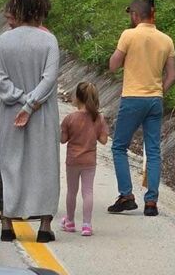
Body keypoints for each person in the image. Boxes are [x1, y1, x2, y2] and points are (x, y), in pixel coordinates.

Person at [0, 0, 60, 243]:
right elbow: (49, 79)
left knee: (8, 163)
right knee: (44, 164)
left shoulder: (3, 41)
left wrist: (20, 100)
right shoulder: (49, 41)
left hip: (10, 113)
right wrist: (31, 104)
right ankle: (44, 225)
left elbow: (0, 81)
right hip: (42, 115)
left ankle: (7, 223)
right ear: (40, 11)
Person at [108, 0, 175, 216]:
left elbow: (113, 65)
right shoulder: (166, 40)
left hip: (132, 98)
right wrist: (159, 92)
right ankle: (151, 202)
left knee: (119, 147)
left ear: (136, 15)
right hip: (155, 100)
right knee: (153, 150)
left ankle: (126, 194)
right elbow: (172, 75)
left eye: (131, 15)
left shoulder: (129, 35)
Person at [60, 82, 108, 237]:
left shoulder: (70, 118)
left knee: (71, 191)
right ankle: (86, 225)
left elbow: (63, 139)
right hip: (89, 161)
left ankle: (70, 221)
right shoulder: (98, 118)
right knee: (88, 192)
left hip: (73, 160)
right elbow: (104, 140)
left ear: (77, 98)